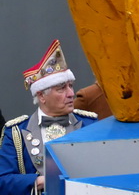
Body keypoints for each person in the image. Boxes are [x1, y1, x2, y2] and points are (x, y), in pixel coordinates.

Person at [0, 40, 97, 195]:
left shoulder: (90, 124)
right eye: (61, 89)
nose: (71, 93)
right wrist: (40, 181)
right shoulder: (16, 132)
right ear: (41, 96)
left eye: (71, 86)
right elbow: (3, 180)